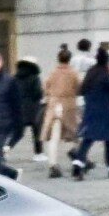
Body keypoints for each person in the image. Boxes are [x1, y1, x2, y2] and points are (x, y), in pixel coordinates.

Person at [72, 43, 109, 178]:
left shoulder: (91, 72)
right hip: (105, 111)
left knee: (87, 139)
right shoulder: (106, 74)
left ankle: (78, 163)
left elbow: (82, 90)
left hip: (91, 110)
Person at [39, 46, 82, 178]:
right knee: (74, 135)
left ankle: (53, 164)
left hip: (54, 105)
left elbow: (45, 87)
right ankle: (77, 158)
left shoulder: (52, 72)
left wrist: (50, 96)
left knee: (54, 137)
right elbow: (79, 87)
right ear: (69, 59)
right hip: (68, 106)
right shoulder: (73, 73)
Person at [8, 57, 45, 152]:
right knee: (37, 131)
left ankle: (6, 149)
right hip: (33, 108)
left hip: (18, 108)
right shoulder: (35, 77)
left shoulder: (15, 78)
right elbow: (38, 93)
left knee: (18, 133)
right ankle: (38, 153)